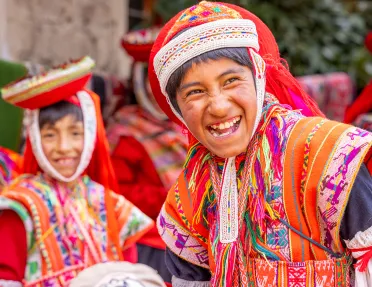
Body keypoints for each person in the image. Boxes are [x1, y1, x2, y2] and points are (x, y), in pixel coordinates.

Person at [147, 1, 372, 286]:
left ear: (258, 79)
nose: (217, 106)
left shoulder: (330, 156)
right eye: (196, 92)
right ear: (177, 109)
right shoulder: (189, 196)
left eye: (231, 81)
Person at [0, 56, 153, 286]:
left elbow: (127, 270)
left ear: (91, 135)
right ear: (35, 140)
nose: (64, 147)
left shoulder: (110, 205)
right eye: (50, 135)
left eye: (75, 133)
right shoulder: (21, 206)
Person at [106, 27, 188, 284]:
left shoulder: (187, 124)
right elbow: (120, 193)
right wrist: (175, 198)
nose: (161, 90)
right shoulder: (126, 130)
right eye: (153, 82)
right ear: (141, 82)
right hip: (152, 239)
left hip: (193, 231)